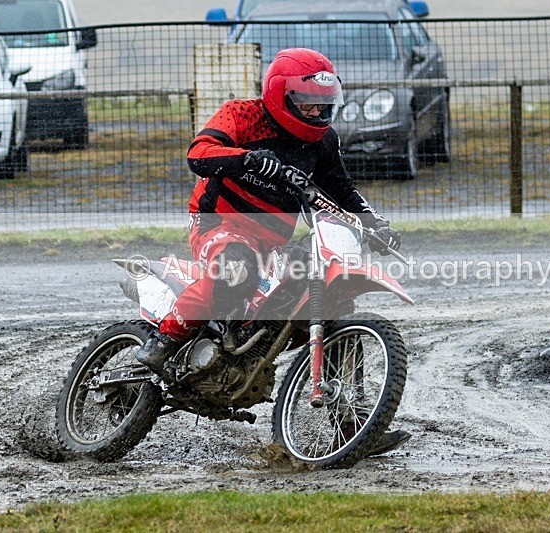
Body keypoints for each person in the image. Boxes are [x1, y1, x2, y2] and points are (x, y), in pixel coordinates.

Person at [136, 47, 409, 455]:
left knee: (332, 305)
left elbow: (343, 192)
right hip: (219, 224)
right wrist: (249, 159)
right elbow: (199, 154)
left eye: (324, 106)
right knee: (236, 270)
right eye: (307, 104)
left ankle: (351, 425)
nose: (318, 114)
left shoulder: (324, 142)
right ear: (280, 97)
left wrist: (374, 224)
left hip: (271, 241)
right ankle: (165, 342)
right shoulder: (243, 114)